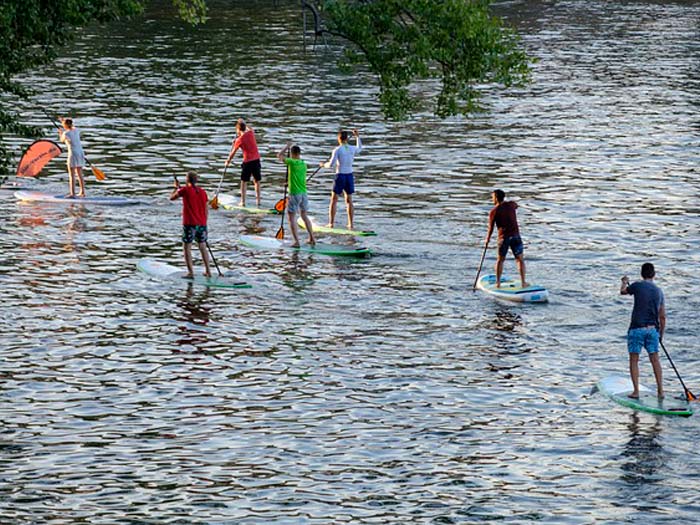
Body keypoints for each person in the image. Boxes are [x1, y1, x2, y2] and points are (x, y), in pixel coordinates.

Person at [620, 263, 666, 399]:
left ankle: (636, 392)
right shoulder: (659, 291)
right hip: (652, 330)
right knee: (655, 360)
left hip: (636, 328)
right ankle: (660, 391)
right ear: (654, 274)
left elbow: (623, 292)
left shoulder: (637, 285)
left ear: (642, 274)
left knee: (634, 360)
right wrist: (660, 335)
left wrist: (624, 282)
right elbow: (662, 316)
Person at [170, 171, 211, 278]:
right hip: (202, 223)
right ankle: (208, 271)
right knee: (202, 247)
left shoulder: (185, 190)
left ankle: (190, 272)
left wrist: (176, 188)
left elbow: (172, 198)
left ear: (187, 180)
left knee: (186, 247)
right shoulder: (203, 192)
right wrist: (204, 222)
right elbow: (206, 209)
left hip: (189, 223)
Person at [320, 128, 362, 229]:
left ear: (339, 139)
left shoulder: (337, 150)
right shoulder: (352, 148)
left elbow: (331, 164)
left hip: (340, 176)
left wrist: (323, 165)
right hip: (349, 176)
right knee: (349, 200)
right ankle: (351, 224)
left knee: (334, 200)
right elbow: (359, 148)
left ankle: (331, 223)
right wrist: (357, 137)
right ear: (347, 138)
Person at [486, 189, 528, 288]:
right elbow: (516, 205)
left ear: (496, 197)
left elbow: (491, 228)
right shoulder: (511, 204)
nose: (492, 199)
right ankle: (523, 282)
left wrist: (487, 240)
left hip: (503, 238)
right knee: (520, 260)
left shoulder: (494, 211)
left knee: (500, 260)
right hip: (516, 236)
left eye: (492, 197)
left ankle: (498, 283)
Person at [276, 142, 316, 248]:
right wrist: (288, 183)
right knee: (304, 215)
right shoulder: (303, 163)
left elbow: (279, 156)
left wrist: (286, 147)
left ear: (292, 154)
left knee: (291, 217)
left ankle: (296, 242)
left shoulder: (292, 162)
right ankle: (312, 238)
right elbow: (297, 177)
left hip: (294, 194)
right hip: (304, 193)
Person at [225, 119, 262, 207]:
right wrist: (244, 122)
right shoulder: (251, 133)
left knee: (244, 181)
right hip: (256, 160)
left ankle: (243, 201)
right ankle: (258, 201)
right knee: (257, 181)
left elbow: (233, 153)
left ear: (238, 130)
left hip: (248, 162)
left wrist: (227, 161)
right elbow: (249, 128)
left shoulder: (239, 140)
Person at [58, 117, 86, 198]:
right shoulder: (76, 130)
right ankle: (82, 192)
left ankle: (72, 193)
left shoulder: (66, 134)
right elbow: (71, 128)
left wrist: (60, 133)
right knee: (80, 174)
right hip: (80, 153)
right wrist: (63, 122)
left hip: (73, 154)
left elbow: (62, 140)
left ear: (65, 125)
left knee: (72, 175)